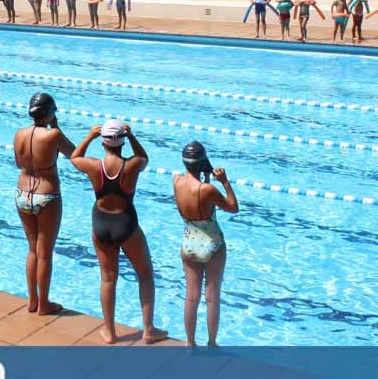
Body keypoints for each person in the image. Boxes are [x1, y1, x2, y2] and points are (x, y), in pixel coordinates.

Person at [70, 120, 167, 344]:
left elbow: (75, 157)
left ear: (103, 142)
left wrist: (89, 136)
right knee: (145, 275)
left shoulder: (94, 166)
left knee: (108, 279)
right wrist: (132, 136)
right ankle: (148, 329)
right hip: (126, 223)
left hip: (101, 223)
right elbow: (144, 157)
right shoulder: (132, 165)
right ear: (122, 142)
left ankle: (110, 332)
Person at [14, 93, 76, 316]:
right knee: (45, 253)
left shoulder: (19, 134)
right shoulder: (54, 135)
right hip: (46, 195)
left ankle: (31, 300)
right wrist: (56, 128)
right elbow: (75, 154)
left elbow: (18, 161)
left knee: (32, 249)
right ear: (50, 113)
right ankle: (44, 304)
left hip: (22, 193)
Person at [173, 141, 239, 347]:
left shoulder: (176, 181)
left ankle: (190, 343)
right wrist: (225, 182)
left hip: (189, 244)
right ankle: (211, 343)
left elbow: (197, 195)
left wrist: (207, 177)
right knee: (212, 297)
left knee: (191, 296)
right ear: (203, 162)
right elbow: (233, 207)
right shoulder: (208, 189)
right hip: (213, 245)